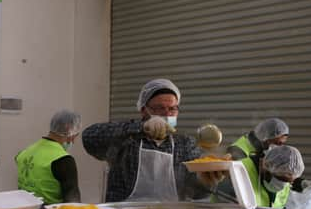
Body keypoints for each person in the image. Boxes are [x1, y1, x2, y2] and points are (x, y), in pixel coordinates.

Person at [82, 78, 223, 202]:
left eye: (172, 109)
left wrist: (204, 182)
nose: (167, 114)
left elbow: (195, 193)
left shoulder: (185, 145)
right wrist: (141, 127)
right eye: (159, 108)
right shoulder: (127, 140)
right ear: (144, 110)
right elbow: (90, 137)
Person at [16, 109, 82, 209]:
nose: (73, 141)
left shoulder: (24, 153)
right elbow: (72, 204)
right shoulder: (64, 159)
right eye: (75, 136)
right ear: (69, 129)